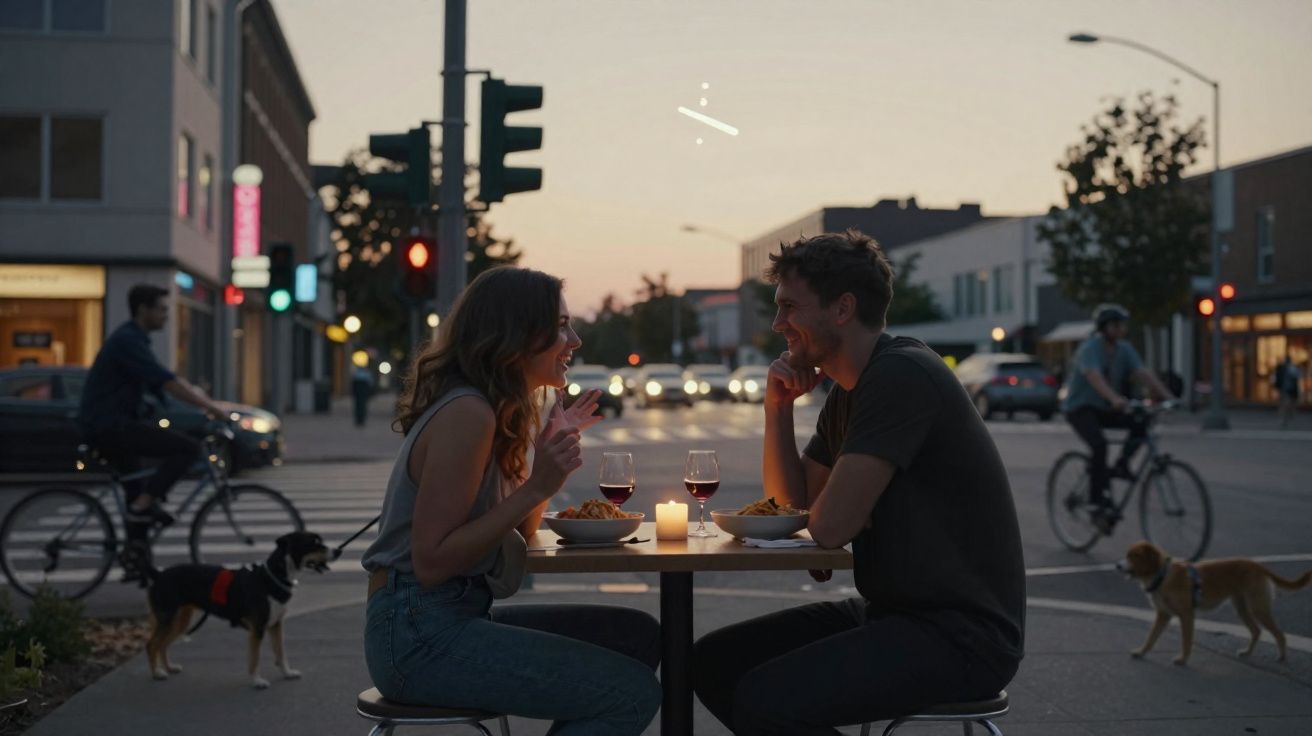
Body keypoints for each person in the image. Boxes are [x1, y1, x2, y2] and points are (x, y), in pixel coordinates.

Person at [692, 231, 1026, 735]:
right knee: (712, 662)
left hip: (960, 634)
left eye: (789, 307)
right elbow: (789, 505)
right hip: (894, 613)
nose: (779, 323)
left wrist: (839, 510)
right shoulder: (853, 390)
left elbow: (827, 528)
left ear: (843, 308)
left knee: (767, 701)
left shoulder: (900, 376)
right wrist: (777, 409)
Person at [361, 267, 661, 734]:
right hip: (416, 634)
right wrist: (538, 485)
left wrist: (544, 460)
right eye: (561, 325)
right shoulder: (467, 413)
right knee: (630, 693)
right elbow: (432, 561)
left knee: (635, 636)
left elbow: (516, 532)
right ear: (516, 335)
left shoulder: (498, 410)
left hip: (450, 613)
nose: (575, 339)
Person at [78, 284, 226, 581]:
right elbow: (164, 381)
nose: (167, 315)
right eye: (162, 309)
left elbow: (157, 389)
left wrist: (189, 407)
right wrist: (209, 407)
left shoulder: (135, 340)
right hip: (109, 427)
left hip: (113, 424)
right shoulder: (128, 341)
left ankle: (138, 564)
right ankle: (146, 504)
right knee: (187, 449)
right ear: (143, 309)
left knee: (139, 498)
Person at [1062, 304, 1175, 533]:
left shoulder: (1124, 349)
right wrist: (1115, 399)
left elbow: (1142, 372)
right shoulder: (1090, 348)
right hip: (1080, 408)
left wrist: (1168, 396)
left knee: (1141, 421)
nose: (1121, 329)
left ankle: (1122, 465)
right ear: (1104, 328)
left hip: (1106, 407)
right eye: (1116, 325)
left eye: (1122, 325)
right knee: (1099, 445)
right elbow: (1094, 377)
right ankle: (1095, 502)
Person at [1273, 354, 1301, 428]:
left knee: (1286, 404)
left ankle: (1285, 418)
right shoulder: (1290, 368)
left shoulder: (1284, 368)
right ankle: (1285, 418)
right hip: (1287, 390)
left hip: (1287, 390)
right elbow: (1297, 377)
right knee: (1287, 404)